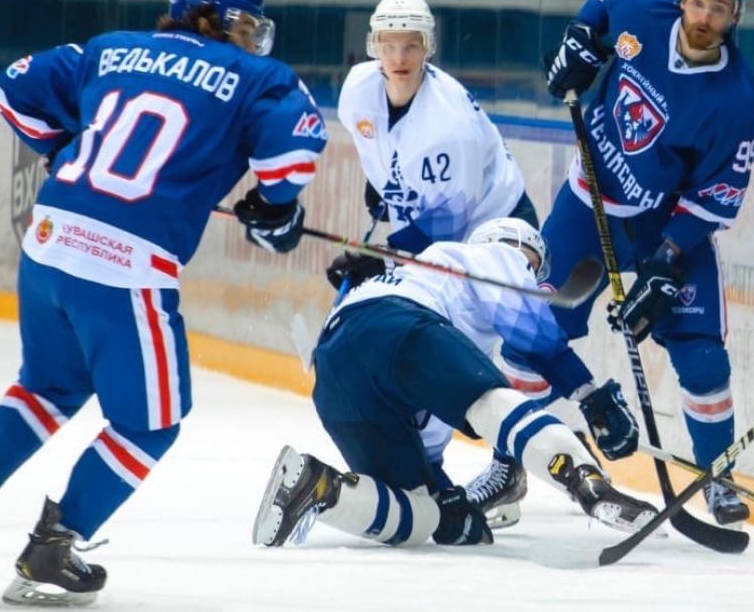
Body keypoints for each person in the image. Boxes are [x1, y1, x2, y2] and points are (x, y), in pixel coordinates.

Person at [0, 0, 325, 606]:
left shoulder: (109, 49)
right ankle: (53, 547)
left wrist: (68, 151)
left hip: (50, 239)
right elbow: (292, 153)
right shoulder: (257, 75)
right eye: (248, 23)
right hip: (123, 264)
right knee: (151, 424)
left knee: (49, 385)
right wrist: (276, 205)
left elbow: (11, 89)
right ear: (221, 18)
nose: (254, 36)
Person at [501, 0, 754, 527]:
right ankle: (511, 462)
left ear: (735, 16)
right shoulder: (644, 7)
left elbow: (713, 197)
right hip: (584, 204)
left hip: (659, 228)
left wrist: (666, 264)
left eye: (718, 9)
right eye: (698, 1)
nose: (704, 16)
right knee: (529, 340)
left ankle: (717, 473)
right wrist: (582, 36)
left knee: (701, 360)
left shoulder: (737, 101)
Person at [252, 218, 653, 550]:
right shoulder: (488, 254)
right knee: (490, 404)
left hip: (334, 374)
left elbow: (425, 448)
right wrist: (588, 394)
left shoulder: (423, 286)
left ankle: (319, 486)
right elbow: (533, 335)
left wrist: (449, 500)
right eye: (530, 265)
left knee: (421, 512)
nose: (527, 276)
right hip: (399, 327)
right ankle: (586, 481)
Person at [331, 0, 540, 527]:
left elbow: (440, 236)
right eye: (388, 44)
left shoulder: (449, 127)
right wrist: (384, 194)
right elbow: (383, 158)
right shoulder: (359, 90)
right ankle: (425, 470)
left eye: (412, 45)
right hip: (432, 226)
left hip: (491, 231)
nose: (399, 56)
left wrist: (375, 260)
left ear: (430, 48)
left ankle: (503, 470)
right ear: (372, 46)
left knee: (455, 353)